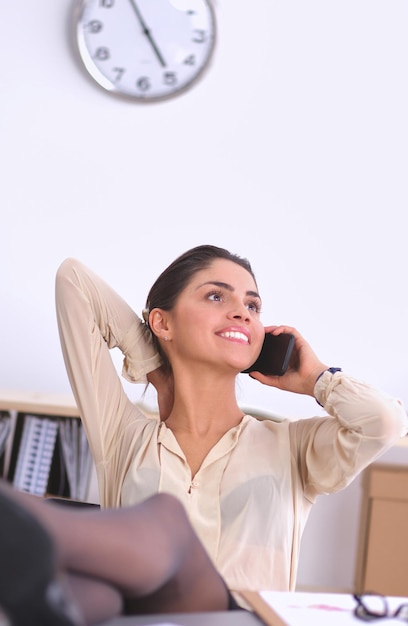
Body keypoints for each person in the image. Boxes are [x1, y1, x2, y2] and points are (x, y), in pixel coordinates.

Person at [55, 245, 407, 597]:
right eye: (216, 296)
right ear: (162, 322)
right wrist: (157, 370)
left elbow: (384, 421)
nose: (242, 313)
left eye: (252, 305)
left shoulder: (293, 448)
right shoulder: (124, 439)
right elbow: (74, 281)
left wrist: (317, 377)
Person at [0, 479, 233, 626]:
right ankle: (38, 525)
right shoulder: (132, 431)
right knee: (170, 519)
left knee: (106, 594)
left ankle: (38, 524)